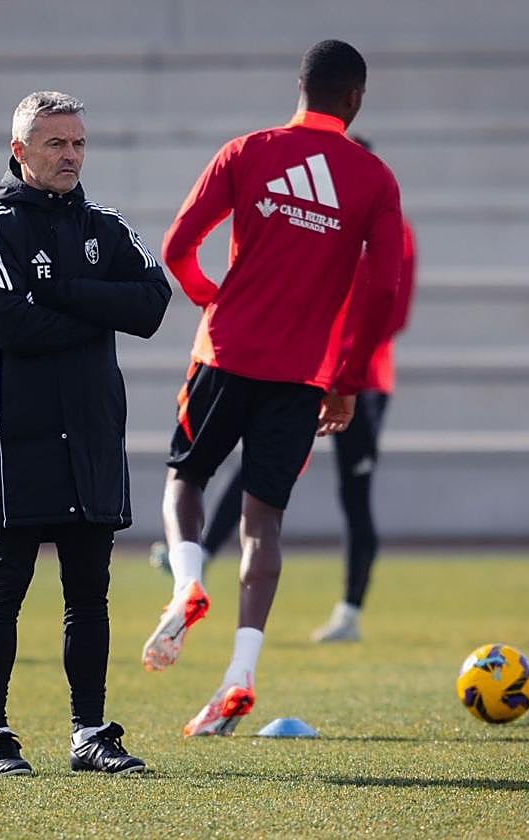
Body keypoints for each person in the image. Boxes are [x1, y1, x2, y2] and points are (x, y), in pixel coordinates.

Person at [142, 40, 404, 737]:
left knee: (185, 479)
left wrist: (210, 298)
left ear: (300, 86)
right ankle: (240, 674)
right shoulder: (375, 179)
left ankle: (187, 585)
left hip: (225, 354)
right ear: (354, 99)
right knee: (263, 523)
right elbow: (383, 291)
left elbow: (176, 247)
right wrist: (346, 381)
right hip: (301, 377)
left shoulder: (247, 150)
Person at [0, 90, 171, 776]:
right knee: (7, 585)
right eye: (55, 143)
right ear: (19, 150)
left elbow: (153, 304)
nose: (71, 155)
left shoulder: (105, 224)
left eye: (78, 143)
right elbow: (8, 324)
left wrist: (64, 291)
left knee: (88, 592)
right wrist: (100, 310)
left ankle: (90, 733)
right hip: (18, 435)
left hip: (91, 435)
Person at [149, 135, 418, 644]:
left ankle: (349, 610)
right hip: (306, 369)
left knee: (351, 494)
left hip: (354, 378)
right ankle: (200, 564)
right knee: (256, 485)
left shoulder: (389, 225)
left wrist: (341, 365)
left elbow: (392, 310)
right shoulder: (330, 211)